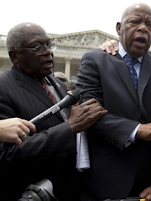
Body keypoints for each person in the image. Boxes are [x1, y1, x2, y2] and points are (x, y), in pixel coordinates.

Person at [76, 3, 151, 201]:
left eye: (150, 24)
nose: (143, 28)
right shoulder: (95, 60)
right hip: (101, 180)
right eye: (135, 21)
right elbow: (88, 116)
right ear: (119, 28)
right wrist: (139, 130)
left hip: (148, 184)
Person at [0, 22, 107, 201]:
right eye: (37, 47)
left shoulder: (55, 83)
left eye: (49, 45)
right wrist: (69, 128)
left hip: (68, 190)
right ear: (14, 56)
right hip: (30, 193)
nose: (48, 52)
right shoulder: (3, 87)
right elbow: (6, 155)